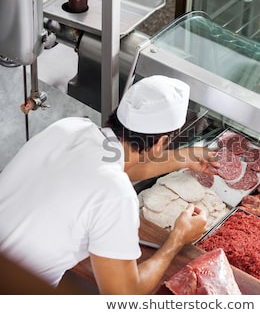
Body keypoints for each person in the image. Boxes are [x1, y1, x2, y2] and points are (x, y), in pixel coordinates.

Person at [0, 75, 217, 294]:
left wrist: (184, 157)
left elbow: (117, 167)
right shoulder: (117, 195)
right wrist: (177, 239)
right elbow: (124, 296)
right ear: (161, 142)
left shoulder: (71, 127)